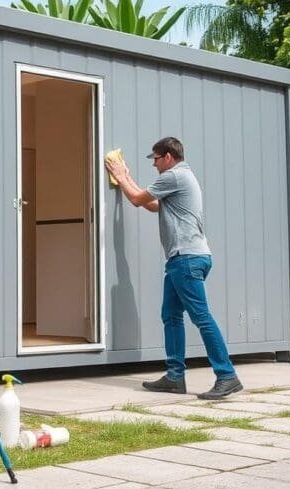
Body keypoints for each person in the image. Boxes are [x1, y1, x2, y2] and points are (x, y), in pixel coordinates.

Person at [105, 137, 243, 400]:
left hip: (187, 258)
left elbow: (136, 199)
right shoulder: (179, 179)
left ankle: (227, 376)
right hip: (183, 259)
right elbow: (150, 203)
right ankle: (174, 377)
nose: (154, 164)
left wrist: (121, 175)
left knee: (201, 317)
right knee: (171, 315)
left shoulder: (175, 176)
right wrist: (127, 180)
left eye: (155, 159)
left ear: (168, 156)